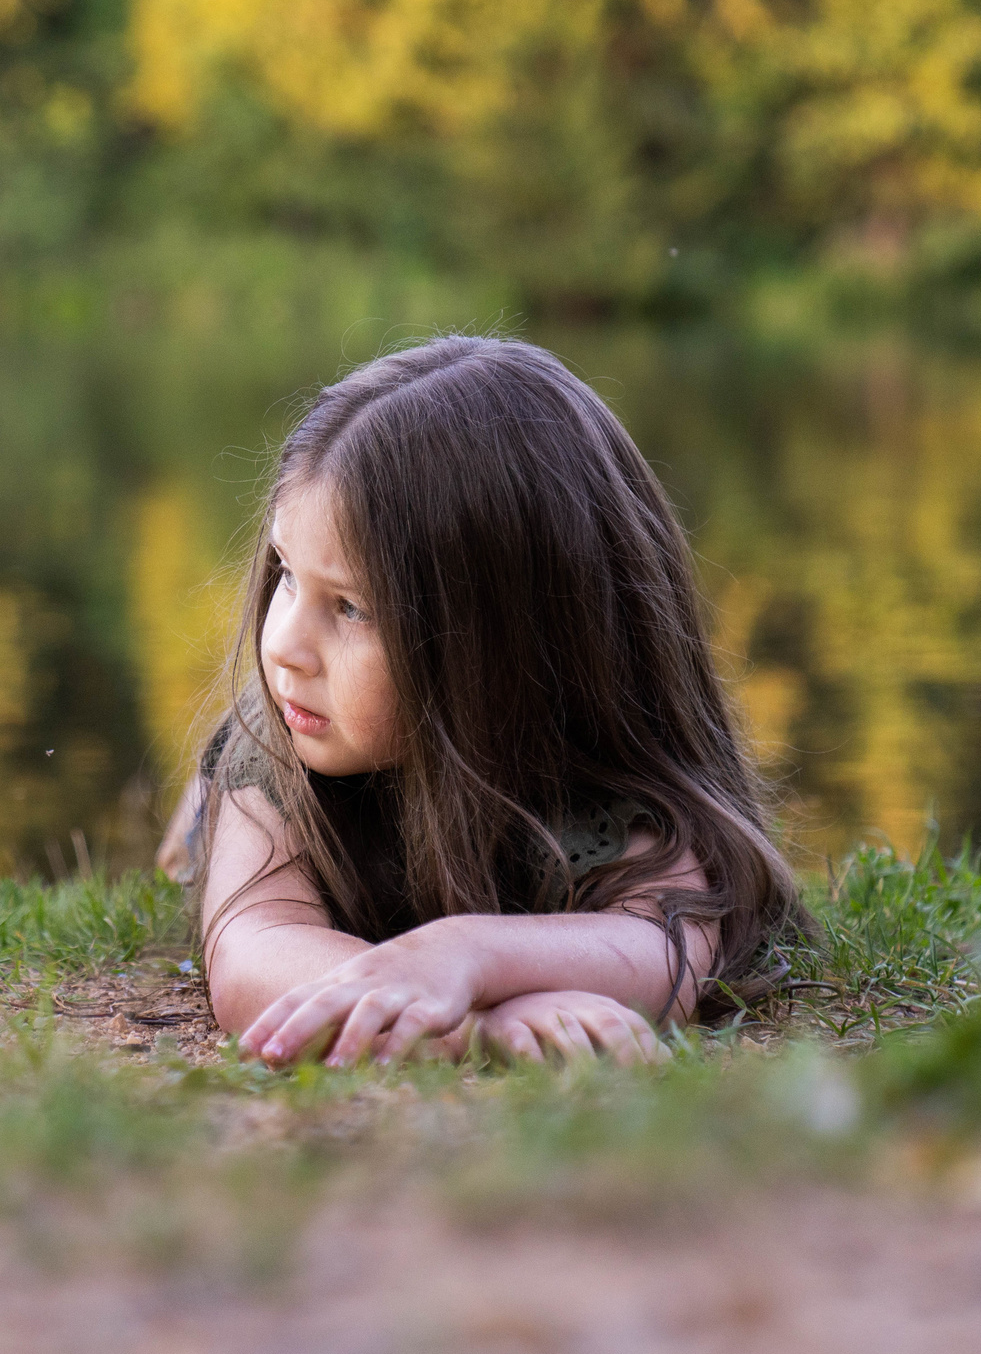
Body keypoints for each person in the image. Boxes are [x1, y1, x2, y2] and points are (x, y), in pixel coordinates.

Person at [158, 335, 798, 1068]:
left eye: (353, 609)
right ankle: (192, 815)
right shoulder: (275, 746)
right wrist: (475, 1029)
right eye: (287, 576)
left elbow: (664, 949)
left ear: (506, 644)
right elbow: (252, 959)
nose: (284, 646)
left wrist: (466, 955)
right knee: (200, 834)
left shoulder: (597, 783)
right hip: (269, 771)